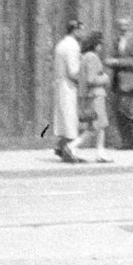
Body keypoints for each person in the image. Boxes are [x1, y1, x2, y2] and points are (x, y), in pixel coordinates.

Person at [106, 17, 133, 151]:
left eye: (125, 26)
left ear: (130, 26)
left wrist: (117, 62)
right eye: (120, 26)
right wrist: (110, 62)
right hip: (118, 81)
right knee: (119, 112)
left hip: (130, 81)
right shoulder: (117, 40)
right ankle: (128, 142)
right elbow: (112, 57)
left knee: (126, 110)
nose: (122, 28)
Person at [76, 29, 113, 163]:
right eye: (100, 43)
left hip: (92, 95)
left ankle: (97, 150)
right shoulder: (92, 57)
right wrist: (105, 78)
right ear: (96, 44)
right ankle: (99, 151)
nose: (101, 47)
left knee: (95, 126)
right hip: (96, 95)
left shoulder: (85, 56)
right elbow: (91, 79)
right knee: (100, 124)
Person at [51, 20, 84, 164]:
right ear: (75, 30)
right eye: (81, 30)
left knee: (64, 117)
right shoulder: (73, 46)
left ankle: (62, 146)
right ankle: (69, 150)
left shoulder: (61, 44)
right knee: (70, 118)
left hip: (60, 84)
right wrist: (84, 81)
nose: (82, 33)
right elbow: (73, 71)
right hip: (69, 86)